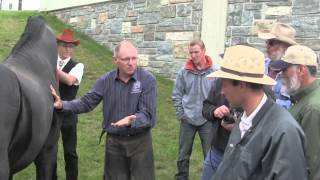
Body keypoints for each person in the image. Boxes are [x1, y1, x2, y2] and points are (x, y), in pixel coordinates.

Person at [51, 41, 156, 180]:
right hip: (115, 143)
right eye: (126, 59)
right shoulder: (106, 81)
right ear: (115, 60)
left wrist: (132, 120)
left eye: (134, 58)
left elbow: (148, 114)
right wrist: (62, 105)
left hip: (140, 143)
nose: (131, 63)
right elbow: (86, 102)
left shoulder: (147, 80)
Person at [207, 45, 307, 180]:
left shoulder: (284, 132)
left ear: (242, 84)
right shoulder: (243, 120)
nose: (222, 92)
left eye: (224, 84)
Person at [172, 39, 218, 180]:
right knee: (183, 154)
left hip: (207, 120)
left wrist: (214, 114)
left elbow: (220, 96)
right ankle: (181, 177)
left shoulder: (215, 72)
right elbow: (177, 94)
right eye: (191, 53)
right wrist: (181, 114)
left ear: (204, 51)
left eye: (196, 52)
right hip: (188, 119)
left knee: (210, 154)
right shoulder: (183, 72)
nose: (193, 55)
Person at [277, 45, 320, 180]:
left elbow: (311, 163)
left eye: (285, 69)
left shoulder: (312, 108)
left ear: (301, 69)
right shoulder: (304, 99)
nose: (281, 74)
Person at [56, 28, 84, 180]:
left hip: (68, 114)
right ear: (58, 46)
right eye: (64, 45)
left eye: (70, 46)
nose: (68, 49)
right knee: (49, 150)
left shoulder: (78, 66)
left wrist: (47, 66)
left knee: (70, 151)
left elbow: (69, 80)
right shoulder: (51, 61)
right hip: (49, 113)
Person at [258, 22, 297, 109]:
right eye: (267, 42)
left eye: (271, 43)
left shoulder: (294, 72)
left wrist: (266, 103)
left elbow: (294, 106)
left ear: (286, 47)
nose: (267, 46)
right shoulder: (260, 65)